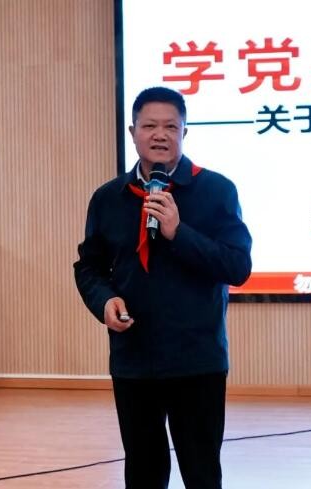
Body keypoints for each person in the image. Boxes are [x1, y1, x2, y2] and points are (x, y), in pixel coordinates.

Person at [73, 86, 252, 489]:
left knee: (201, 472)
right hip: (134, 358)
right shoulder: (108, 198)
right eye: (150, 126)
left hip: (197, 360)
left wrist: (178, 232)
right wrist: (104, 300)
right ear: (132, 132)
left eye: (171, 126)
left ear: (184, 132)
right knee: (143, 471)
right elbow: (89, 267)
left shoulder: (216, 190)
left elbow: (237, 266)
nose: (160, 134)